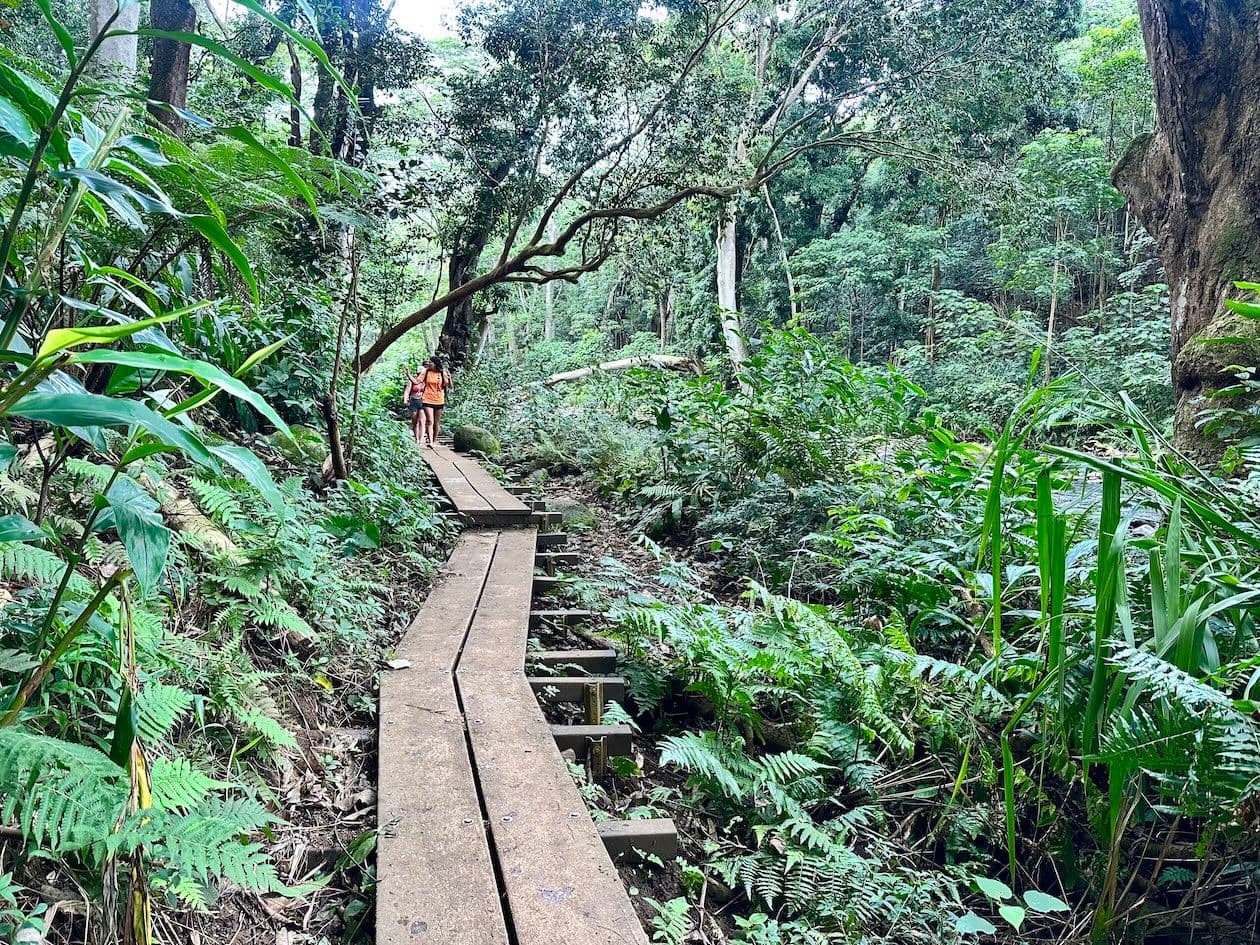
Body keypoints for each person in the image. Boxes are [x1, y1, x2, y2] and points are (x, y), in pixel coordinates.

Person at [419, 355, 452, 447]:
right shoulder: (426, 372)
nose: (428, 364)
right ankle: (430, 441)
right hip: (427, 398)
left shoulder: (442, 373)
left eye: (430, 362)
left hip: (439, 400)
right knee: (430, 421)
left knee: (436, 422)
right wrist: (408, 375)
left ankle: (433, 440)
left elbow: (449, 386)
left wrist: (449, 378)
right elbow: (417, 381)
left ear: (435, 364)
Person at [402, 362, 428, 446]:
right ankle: (416, 438)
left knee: (422, 421)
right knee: (415, 421)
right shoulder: (412, 381)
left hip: (423, 401)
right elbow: (407, 391)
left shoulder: (426, 382)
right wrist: (405, 400)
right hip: (413, 401)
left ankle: (421, 439)